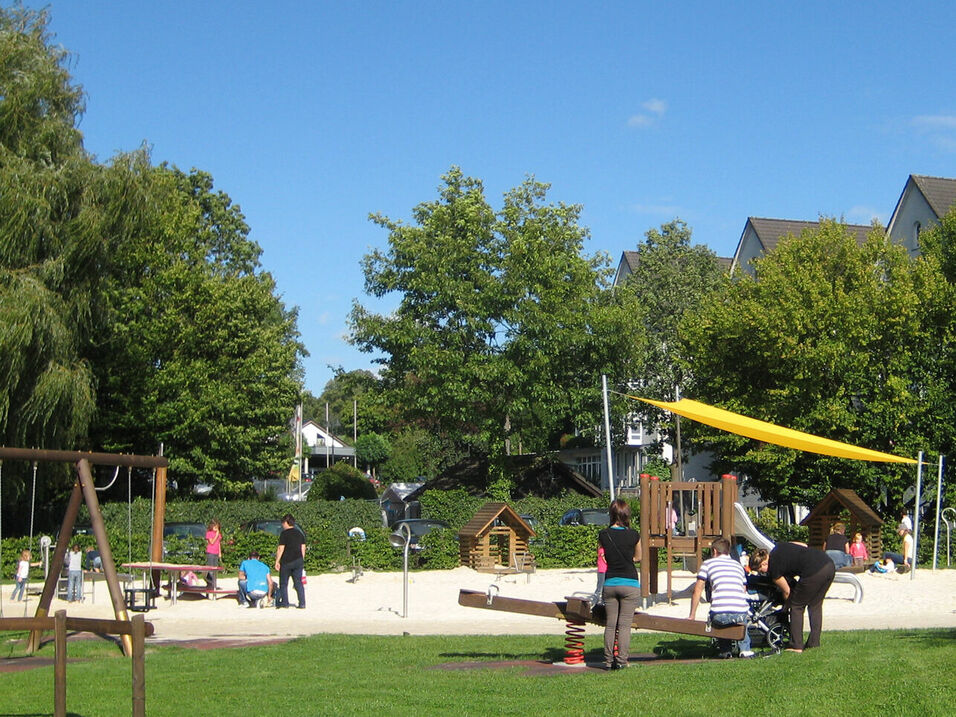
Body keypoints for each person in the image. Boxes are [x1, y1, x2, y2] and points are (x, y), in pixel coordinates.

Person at [749, 542, 835, 652]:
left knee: (796, 606)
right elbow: (803, 545)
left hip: (813, 572)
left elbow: (787, 592)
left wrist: (787, 606)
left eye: (759, 570)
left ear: (763, 564)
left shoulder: (774, 569)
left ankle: (796, 645)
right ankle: (814, 643)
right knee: (815, 605)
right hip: (828, 564)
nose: (762, 573)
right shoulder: (779, 546)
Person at [689, 537, 754, 658]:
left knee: (721, 620)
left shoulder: (708, 564)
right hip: (740, 613)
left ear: (714, 551)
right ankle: (745, 650)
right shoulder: (738, 566)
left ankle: (725, 651)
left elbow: (697, 590)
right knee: (740, 622)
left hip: (720, 614)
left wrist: (692, 615)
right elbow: (743, 589)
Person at [597, 499, 641, 670]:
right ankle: (621, 661)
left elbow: (602, 556)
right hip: (629, 582)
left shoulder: (603, 534)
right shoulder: (634, 535)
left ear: (611, 514)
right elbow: (639, 557)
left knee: (610, 624)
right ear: (626, 514)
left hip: (610, 582)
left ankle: (607, 661)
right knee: (624, 625)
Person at [275, 513, 307, 609]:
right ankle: (302, 603)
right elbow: (303, 548)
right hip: (298, 560)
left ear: (286, 523)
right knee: (298, 582)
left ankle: (285, 603)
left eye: (283, 523)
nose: (282, 525)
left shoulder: (284, 534)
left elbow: (281, 548)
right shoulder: (299, 533)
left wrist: (277, 561)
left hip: (287, 561)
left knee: (284, 583)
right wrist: (302, 559)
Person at [205, 519, 222, 589]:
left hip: (216, 552)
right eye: (215, 527)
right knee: (211, 568)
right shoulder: (209, 533)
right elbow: (211, 542)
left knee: (215, 569)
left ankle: (213, 582)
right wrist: (216, 535)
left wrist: (220, 552)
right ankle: (210, 582)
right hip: (210, 552)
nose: (216, 529)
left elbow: (218, 543)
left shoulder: (219, 535)